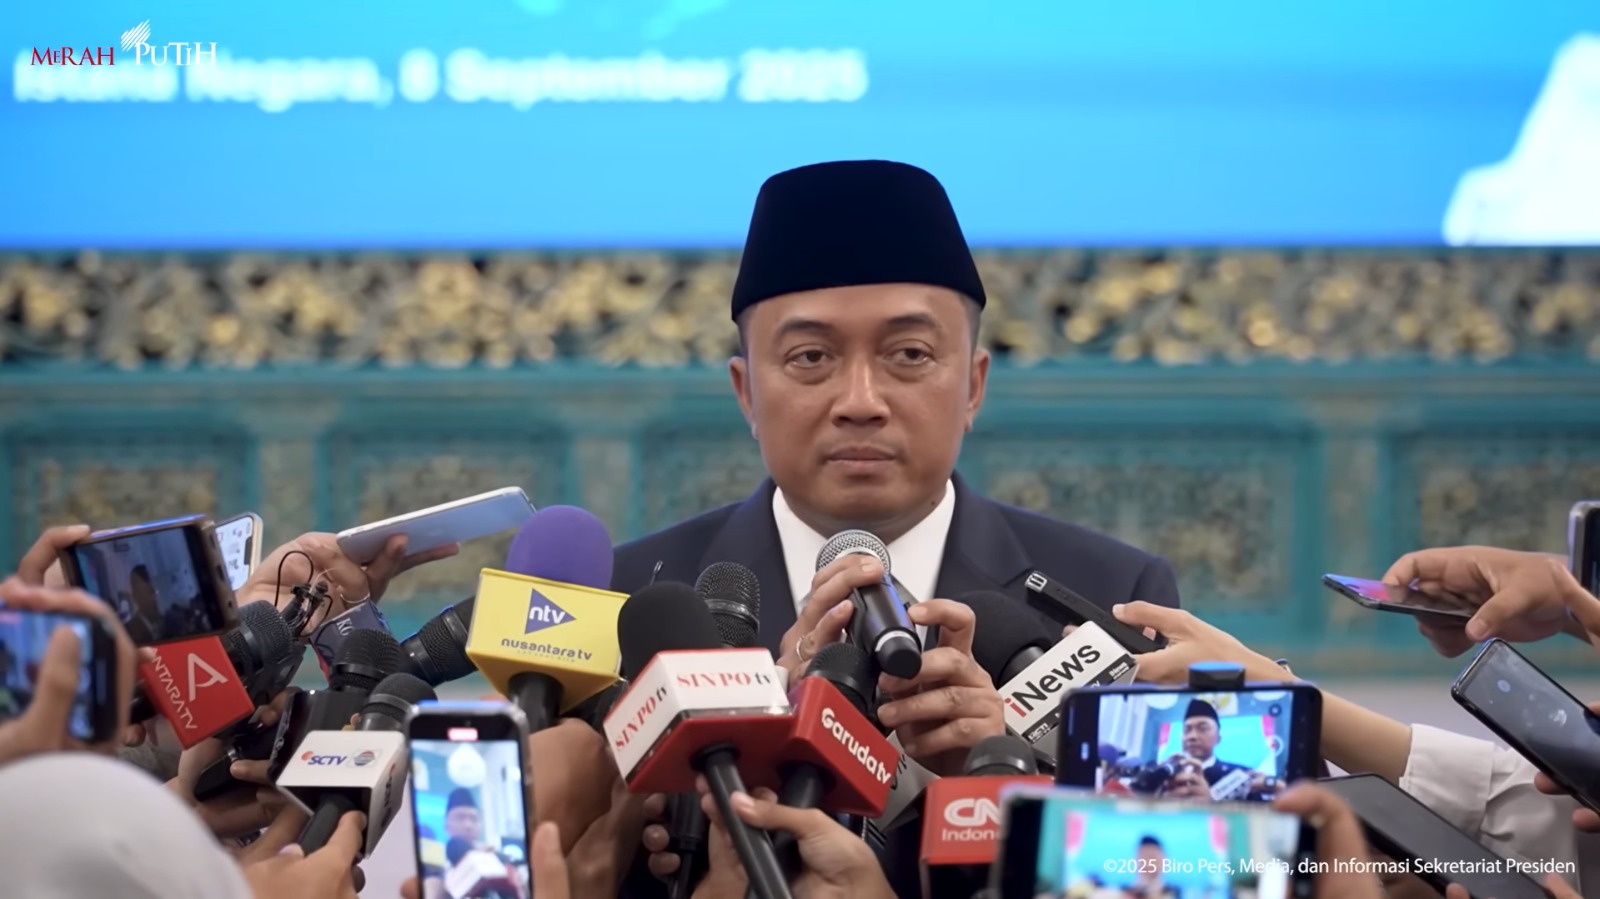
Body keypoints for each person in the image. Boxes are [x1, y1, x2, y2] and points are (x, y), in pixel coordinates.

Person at [610, 160, 1181, 896]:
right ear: (746, 392)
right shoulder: (629, 602)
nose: (861, 400)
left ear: (972, 385)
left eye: (909, 354)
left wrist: (1007, 772)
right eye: (810, 357)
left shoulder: (1111, 596)